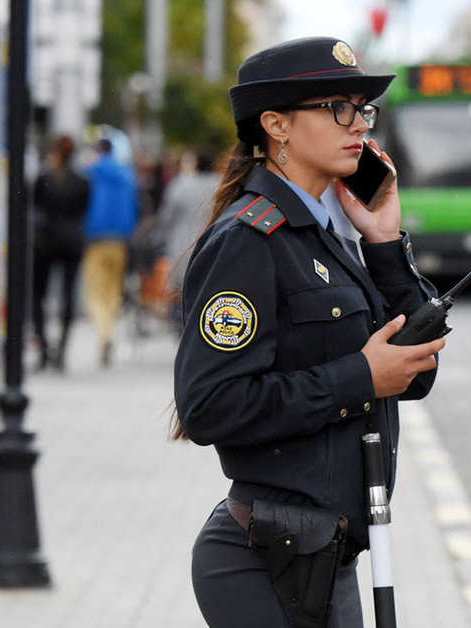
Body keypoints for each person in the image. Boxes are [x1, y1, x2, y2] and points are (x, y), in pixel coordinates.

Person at [171, 37, 446, 627]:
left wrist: (385, 243)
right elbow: (209, 407)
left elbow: (415, 373)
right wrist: (360, 378)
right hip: (265, 560)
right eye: (337, 107)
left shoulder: (328, 234)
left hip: (323, 556)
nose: (358, 125)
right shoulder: (249, 240)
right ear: (276, 125)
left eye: (362, 109)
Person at [31, 135, 91, 371]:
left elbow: (35, 207)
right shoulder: (81, 181)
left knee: (38, 295)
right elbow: (84, 211)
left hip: (46, 240)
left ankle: (44, 347)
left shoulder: (44, 179)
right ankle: (62, 349)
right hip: (72, 240)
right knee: (68, 294)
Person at [81, 138, 139, 367]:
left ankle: (104, 334)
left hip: (95, 238)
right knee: (114, 289)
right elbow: (135, 207)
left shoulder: (89, 172)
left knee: (95, 292)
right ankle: (109, 331)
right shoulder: (126, 174)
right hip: (120, 239)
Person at [156, 150, 219, 333]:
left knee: (180, 292)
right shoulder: (221, 185)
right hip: (212, 245)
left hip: (181, 246)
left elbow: (166, 218)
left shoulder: (179, 186)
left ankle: (181, 333)